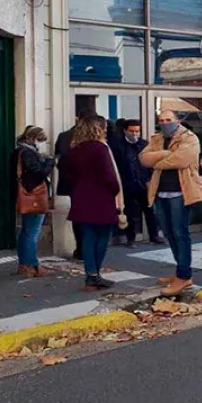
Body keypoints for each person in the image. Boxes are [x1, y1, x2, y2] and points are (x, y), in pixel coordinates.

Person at [140, 110, 202, 297]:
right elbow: (143, 158)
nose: (165, 123)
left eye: (168, 119)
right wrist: (165, 153)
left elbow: (181, 160)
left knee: (180, 233)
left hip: (181, 193)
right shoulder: (157, 138)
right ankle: (182, 271)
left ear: (177, 121)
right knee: (169, 233)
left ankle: (184, 275)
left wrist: (157, 161)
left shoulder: (189, 138)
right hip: (160, 192)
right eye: (161, 120)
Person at [59, 116, 120, 290]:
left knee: (87, 236)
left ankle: (90, 274)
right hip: (101, 196)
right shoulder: (100, 148)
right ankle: (95, 275)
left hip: (81, 195)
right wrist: (115, 190)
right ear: (98, 129)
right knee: (102, 237)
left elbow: (68, 173)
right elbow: (109, 175)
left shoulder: (74, 149)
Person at [109, 119, 163, 248]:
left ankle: (154, 235)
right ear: (125, 131)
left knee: (150, 211)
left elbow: (151, 163)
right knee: (129, 212)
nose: (134, 134)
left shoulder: (144, 144)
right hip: (126, 183)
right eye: (131, 131)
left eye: (137, 131)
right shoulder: (117, 146)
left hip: (143, 183)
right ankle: (131, 238)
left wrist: (150, 180)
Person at [12, 126, 55, 276]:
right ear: (33, 138)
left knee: (25, 231)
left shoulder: (19, 151)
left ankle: (23, 264)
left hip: (24, 195)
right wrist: (50, 162)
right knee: (32, 232)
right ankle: (33, 265)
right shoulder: (28, 153)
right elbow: (38, 174)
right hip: (33, 196)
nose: (42, 143)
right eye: (41, 140)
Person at [55, 108, 96, 260]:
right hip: (87, 183)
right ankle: (86, 248)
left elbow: (59, 159)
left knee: (79, 215)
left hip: (73, 182)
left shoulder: (64, 136)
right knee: (87, 216)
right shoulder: (91, 138)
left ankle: (81, 248)